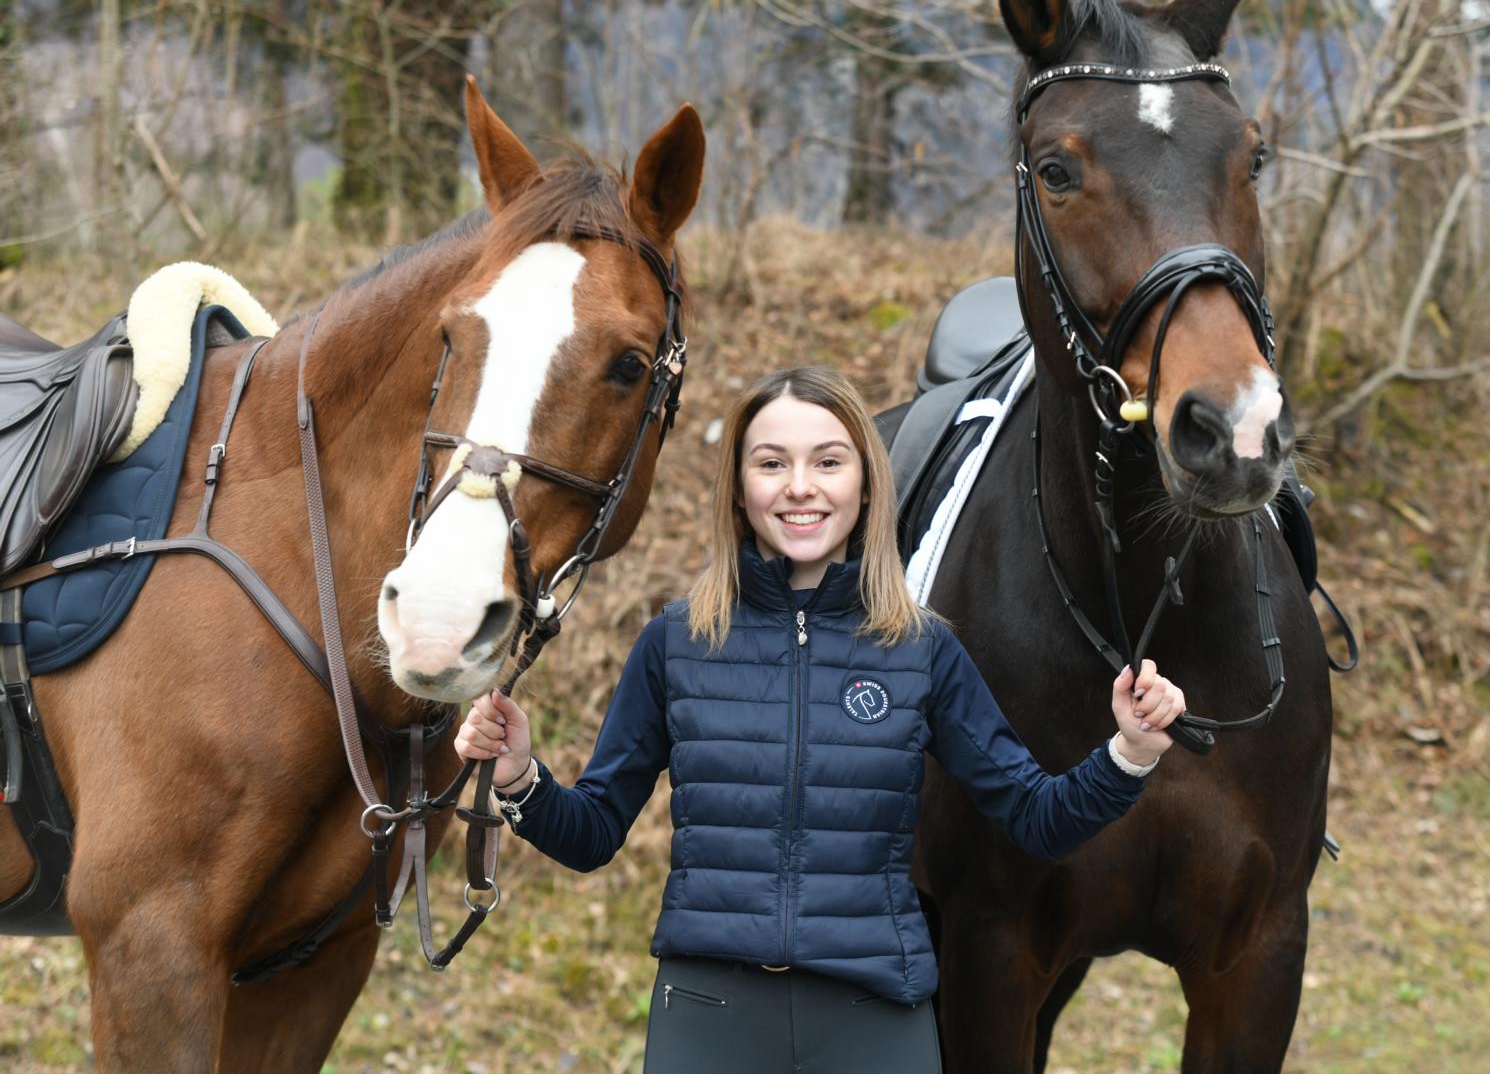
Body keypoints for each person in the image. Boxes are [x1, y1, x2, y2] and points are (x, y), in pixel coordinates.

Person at [455, 366, 1187, 1074]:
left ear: (865, 485)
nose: (799, 486)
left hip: (873, 1015)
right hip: (709, 1012)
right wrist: (521, 777)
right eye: (772, 463)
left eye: (827, 462)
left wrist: (1128, 752)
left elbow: (1037, 817)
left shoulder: (921, 650)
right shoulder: (677, 643)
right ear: (740, 491)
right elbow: (591, 835)